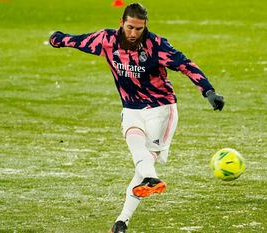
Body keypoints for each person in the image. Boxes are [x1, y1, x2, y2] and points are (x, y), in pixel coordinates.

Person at [49, 3, 224, 232]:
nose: (133, 33)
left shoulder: (157, 46)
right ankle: (136, 200)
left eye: (139, 29)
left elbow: (185, 65)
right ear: (121, 23)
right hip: (131, 108)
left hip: (160, 109)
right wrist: (58, 39)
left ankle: (124, 217)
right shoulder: (107, 40)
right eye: (130, 27)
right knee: (135, 144)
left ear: (145, 27)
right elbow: (80, 41)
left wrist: (208, 91)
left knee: (143, 164)